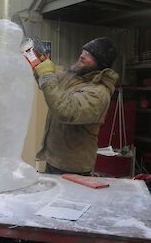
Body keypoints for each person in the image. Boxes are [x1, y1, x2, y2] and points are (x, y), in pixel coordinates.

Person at [34, 37, 119, 175]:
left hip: (74, 168)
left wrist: (47, 75)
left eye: (90, 55)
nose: (82, 56)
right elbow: (53, 76)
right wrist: (39, 61)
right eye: (83, 51)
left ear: (101, 64)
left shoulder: (98, 93)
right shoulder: (75, 78)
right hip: (55, 160)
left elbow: (66, 111)